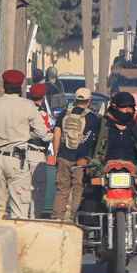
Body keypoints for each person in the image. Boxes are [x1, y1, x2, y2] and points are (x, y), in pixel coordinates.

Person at [0, 68, 49, 219]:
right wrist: (27, 135)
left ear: (4, 86)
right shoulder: (28, 106)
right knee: (19, 208)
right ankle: (18, 240)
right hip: (17, 159)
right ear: (21, 86)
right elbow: (44, 134)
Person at [51, 87, 99, 222]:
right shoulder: (92, 118)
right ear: (89, 101)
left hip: (63, 156)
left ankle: (57, 218)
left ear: (75, 99)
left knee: (62, 189)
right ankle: (73, 217)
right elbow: (91, 140)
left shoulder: (64, 114)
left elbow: (57, 133)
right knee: (78, 188)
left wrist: (55, 154)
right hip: (80, 160)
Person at [83, 91, 137, 168]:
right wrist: (83, 158)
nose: (128, 110)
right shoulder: (102, 125)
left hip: (134, 170)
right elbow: (87, 143)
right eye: (124, 107)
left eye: (130, 107)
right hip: (103, 169)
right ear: (114, 106)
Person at [26, 82, 54, 216]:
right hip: (37, 154)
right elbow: (46, 136)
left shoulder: (22, 110)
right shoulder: (42, 114)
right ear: (43, 97)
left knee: (23, 189)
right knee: (38, 190)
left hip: (22, 152)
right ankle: (34, 218)